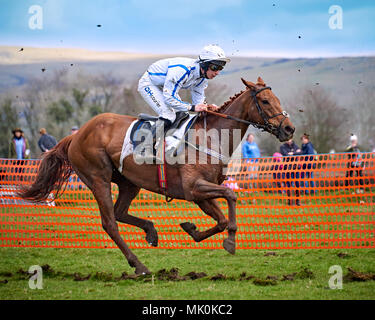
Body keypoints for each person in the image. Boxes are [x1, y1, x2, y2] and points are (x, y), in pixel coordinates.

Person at [138, 44, 230, 160]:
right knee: (168, 114)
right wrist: (192, 107)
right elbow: (169, 98)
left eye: (220, 68)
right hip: (150, 84)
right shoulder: (182, 70)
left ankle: (169, 142)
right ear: (204, 65)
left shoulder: (202, 78)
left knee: (183, 114)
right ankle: (144, 148)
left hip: (166, 87)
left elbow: (199, 101)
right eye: (215, 68)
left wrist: (205, 107)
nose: (217, 72)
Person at [280, 139, 301, 206]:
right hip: (287, 168)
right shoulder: (282, 146)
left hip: (296, 168)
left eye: (289, 139)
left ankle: (297, 201)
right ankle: (290, 201)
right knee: (289, 184)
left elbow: (300, 153)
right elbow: (285, 154)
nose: (288, 140)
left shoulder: (295, 145)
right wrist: (294, 152)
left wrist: (292, 153)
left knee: (297, 184)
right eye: (287, 139)